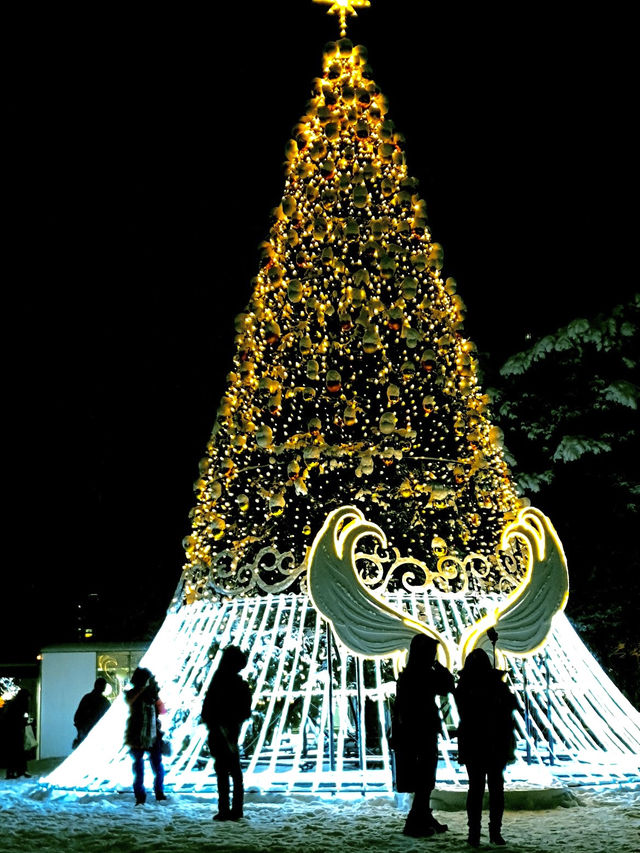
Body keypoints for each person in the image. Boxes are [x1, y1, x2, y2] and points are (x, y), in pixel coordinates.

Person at [391, 634, 455, 838]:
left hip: (414, 732)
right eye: (432, 653)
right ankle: (414, 821)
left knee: (424, 778)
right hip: (421, 732)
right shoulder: (422, 674)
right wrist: (439, 666)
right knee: (424, 778)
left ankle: (423, 815)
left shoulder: (410, 674)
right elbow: (448, 686)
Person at [455, 648, 518, 847]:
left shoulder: (465, 686)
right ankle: (492, 832)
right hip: (492, 743)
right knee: (493, 789)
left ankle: (477, 832)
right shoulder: (493, 686)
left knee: (477, 789)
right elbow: (511, 708)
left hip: (477, 743)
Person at [201, 645, 252, 822]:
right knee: (233, 772)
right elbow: (245, 711)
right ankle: (234, 809)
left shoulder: (219, 682)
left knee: (224, 772)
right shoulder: (235, 684)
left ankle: (226, 809)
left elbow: (207, 710)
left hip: (220, 731)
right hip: (226, 731)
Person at [124, 667, 167, 805]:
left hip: (148, 735)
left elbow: (162, 710)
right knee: (144, 766)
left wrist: (153, 694)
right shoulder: (133, 694)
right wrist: (145, 691)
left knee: (149, 766)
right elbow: (130, 702)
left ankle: (154, 793)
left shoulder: (151, 694)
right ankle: (148, 794)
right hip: (141, 734)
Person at [73, 677, 110, 747]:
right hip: (97, 735)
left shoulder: (87, 698)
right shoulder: (104, 702)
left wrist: (80, 729)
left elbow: (76, 717)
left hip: (85, 732)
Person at [4, 689, 31, 779]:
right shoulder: (19, 705)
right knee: (18, 751)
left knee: (14, 752)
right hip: (15, 730)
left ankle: (13, 771)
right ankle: (20, 771)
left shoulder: (13, 704)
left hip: (12, 731)